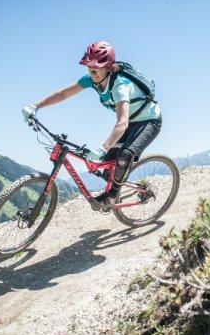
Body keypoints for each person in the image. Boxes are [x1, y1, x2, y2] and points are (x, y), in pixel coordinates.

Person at [21, 41, 162, 209]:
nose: (92, 72)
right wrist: (36, 106)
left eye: (96, 68)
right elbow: (63, 93)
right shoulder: (92, 80)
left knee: (125, 155)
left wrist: (104, 147)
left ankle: (111, 197)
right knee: (108, 164)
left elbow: (122, 122)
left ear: (108, 67)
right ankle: (119, 189)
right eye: (89, 67)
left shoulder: (120, 86)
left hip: (149, 121)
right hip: (131, 122)